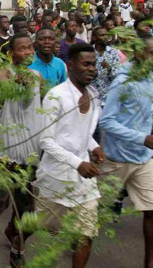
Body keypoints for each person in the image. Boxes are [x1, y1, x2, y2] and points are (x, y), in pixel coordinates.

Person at [35, 43, 106, 268]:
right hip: (54, 179)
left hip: (83, 182)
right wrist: (77, 163)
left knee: (85, 234)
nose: (91, 69)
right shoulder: (56, 96)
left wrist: (94, 147)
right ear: (70, 66)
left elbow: (82, 132)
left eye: (93, 64)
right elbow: (46, 140)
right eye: (86, 64)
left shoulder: (94, 96)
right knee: (47, 237)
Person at [99, 34, 153, 268]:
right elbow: (106, 121)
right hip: (117, 159)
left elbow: (141, 108)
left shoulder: (150, 76)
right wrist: (142, 137)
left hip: (144, 158)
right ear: (138, 54)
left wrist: (150, 123)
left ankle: (150, 262)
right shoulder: (122, 81)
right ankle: (77, 245)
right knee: (93, 211)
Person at [0, 33, 43, 267]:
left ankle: (17, 247)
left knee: (29, 213)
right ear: (12, 53)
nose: (29, 52)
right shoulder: (1, 73)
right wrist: (13, 83)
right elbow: (0, 96)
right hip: (6, 152)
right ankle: (11, 223)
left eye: (30, 47)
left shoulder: (37, 76)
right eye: (22, 49)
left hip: (30, 153)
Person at [92, 27, 121, 106]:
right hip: (92, 96)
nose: (105, 37)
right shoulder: (89, 51)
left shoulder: (113, 52)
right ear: (94, 37)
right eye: (102, 35)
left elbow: (118, 74)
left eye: (106, 35)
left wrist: (110, 68)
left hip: (109, 97)